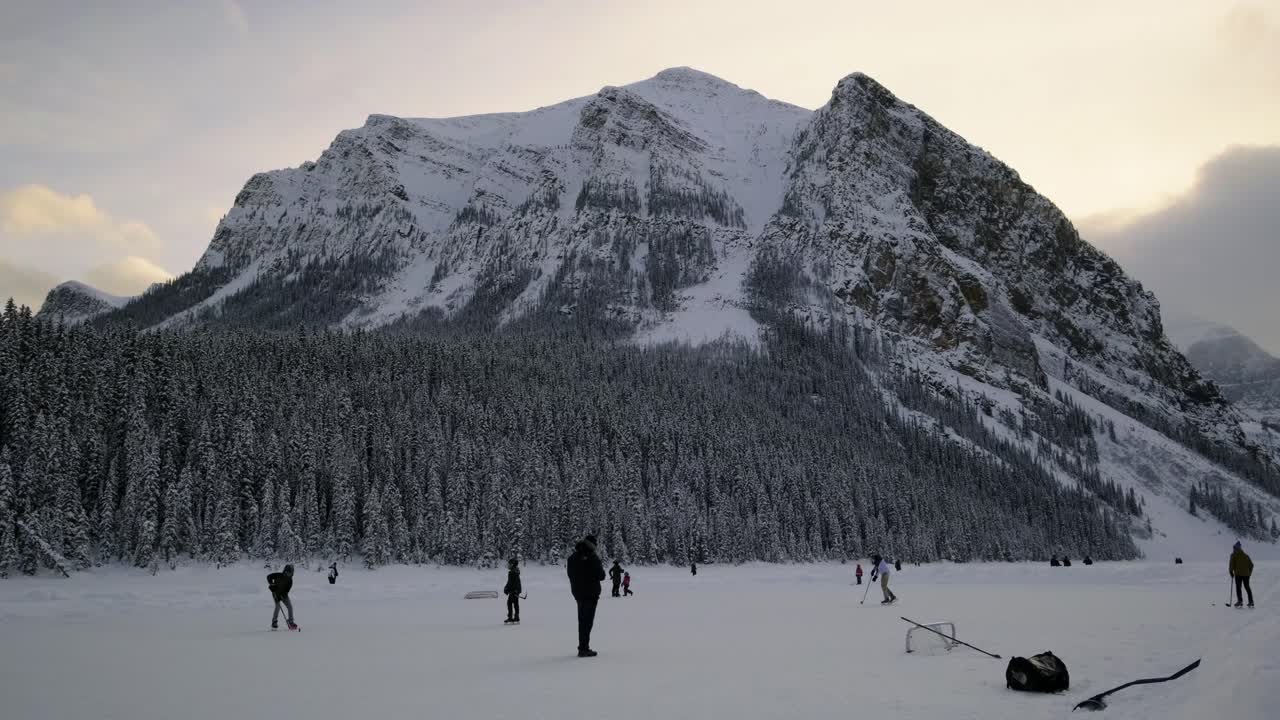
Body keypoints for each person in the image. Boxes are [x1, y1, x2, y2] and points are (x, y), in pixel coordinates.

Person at [567, 535, 606, 657]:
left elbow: (570, 575)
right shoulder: (592, 557)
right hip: (591, 594)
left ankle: (582, 647)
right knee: (587, 622)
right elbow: (602, 575)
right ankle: (583, 648)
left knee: (582, 621)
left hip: (578, 594)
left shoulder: (572, 557)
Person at [267, 564, 297, 630]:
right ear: (285, 571)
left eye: (290, 573)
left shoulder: (290, 581)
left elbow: (287, 590)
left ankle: (290, 622)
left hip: (284, 595)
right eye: (287, 572)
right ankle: (274, 622)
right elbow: (269, 577)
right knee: (277, 606)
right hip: (275, 593)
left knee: (290, 607)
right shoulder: (279, 575)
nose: (288, 574)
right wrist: (272, 584)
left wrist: (281, 596)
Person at [1229, 541, 1254, 608]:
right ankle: (1251, 602)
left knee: (1238, 588)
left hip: (1238, 574)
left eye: (1234, 548)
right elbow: (1251, 565)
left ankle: (1240, 601)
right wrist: (1249, 573)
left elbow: (1232, 564)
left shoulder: (1233, 555)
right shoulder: (1246, 555)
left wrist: (1231, 572)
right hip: (1246, 575)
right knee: (1247, 587)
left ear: (1236, 548)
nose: (1233, 549)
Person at [504, 557, 522, 624]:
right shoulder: (515, 571)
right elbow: (514, 582)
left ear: (513, 564)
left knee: (509, 603)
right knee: (515, 603)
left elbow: (510, 582)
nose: (509, 565)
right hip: (515, 590)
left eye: (510, 564)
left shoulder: (512, 572)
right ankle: (516, 618)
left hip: (514, 590)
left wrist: (507, 589)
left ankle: (510, 618)